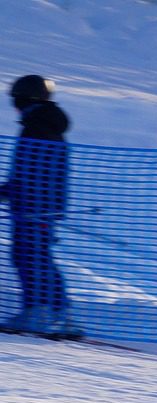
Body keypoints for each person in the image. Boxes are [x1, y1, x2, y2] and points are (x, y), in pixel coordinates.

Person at [0, 74, 78, 338]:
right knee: (37, 257)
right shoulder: (44, 124)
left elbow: (33, 171)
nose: (14, 106)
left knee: (30, 257)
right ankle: (59, 313)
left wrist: (20, 195)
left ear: (25, 98)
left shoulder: (37, 126)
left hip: (34, 207)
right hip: (38, 205)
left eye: (16, 100)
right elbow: (31, 170)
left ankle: (40, 311)